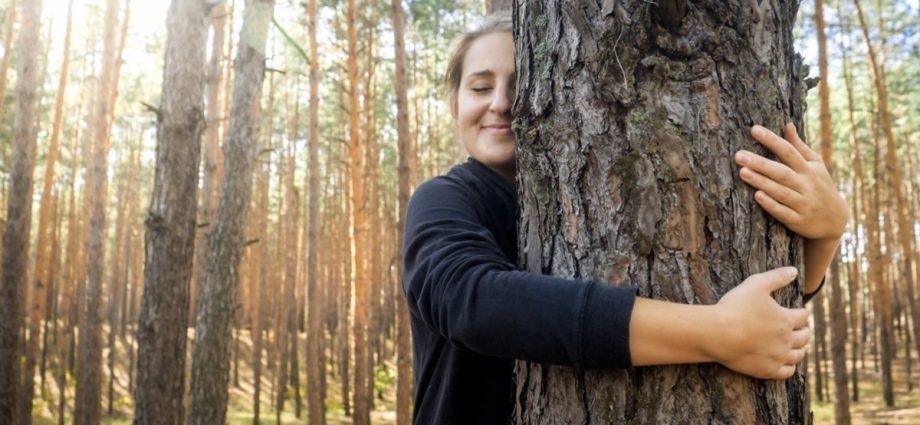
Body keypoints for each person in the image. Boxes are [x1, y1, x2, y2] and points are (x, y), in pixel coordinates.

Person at [401, 13, 848, 425]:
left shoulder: (585, 189)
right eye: (480, 87)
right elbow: (470, 301)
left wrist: (827, 233)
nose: (500, 103)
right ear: (454, 105)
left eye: (519, 84)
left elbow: (766, 317)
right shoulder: (444, 199)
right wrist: (719, 333)